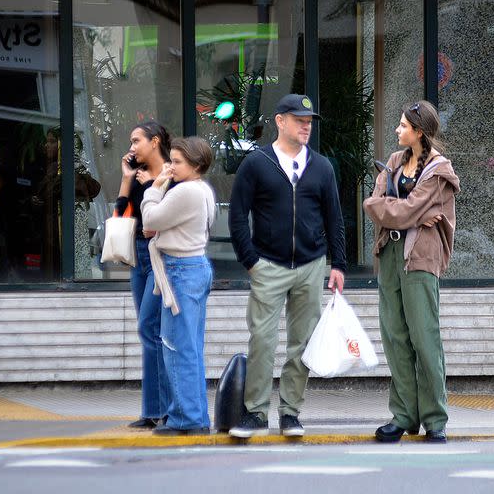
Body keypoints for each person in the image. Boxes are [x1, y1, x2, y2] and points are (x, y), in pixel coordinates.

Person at [228, 94, 346, 438]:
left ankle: (291, 413)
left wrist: (337, 263)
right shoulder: (257, 163)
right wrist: (250, 261)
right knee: (262, 339)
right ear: (280, 121)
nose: (306, 126)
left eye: (309, 121)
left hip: (311, 265)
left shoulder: (322, 166)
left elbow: (334, 219)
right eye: (299, 120)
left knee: (303, 342)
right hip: (268, 265)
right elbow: (237, 216)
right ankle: (255, 413)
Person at [363, 100, 460, 444]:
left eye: (403, 125)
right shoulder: (393, 162)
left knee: (424, 338)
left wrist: (406, 213)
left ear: (419, 132)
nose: (396, 130)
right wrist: (413, 215)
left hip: (420, 258)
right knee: (394, 337)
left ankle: (435, 419)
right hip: (390, 254)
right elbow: (373, 205)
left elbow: (407, 208)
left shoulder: (438, 171)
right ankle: (403, 415)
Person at [141, 137, 216, 435]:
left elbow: (151, 218)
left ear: (196, 165)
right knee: (190, 347)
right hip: (193, 267)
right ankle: (195, 416)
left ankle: (186, 418)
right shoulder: (203, 190)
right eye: (170, 160)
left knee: (176, 346)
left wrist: (154, 189)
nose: (171, 167)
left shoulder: (185, 191)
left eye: (178, 162)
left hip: (180, 270)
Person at [116, 121, 173, 429]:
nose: (132, 146)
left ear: (154, 142)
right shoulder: (136, 175)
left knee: (148, 327)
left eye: (136, 140)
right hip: (139, 254)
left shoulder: (172, 172)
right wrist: (127, 181)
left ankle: (163, 408)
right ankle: (152, 410)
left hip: (161, 254)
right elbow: (120, 215)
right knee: (148, 332)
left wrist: (155, 184)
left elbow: (173, 215)